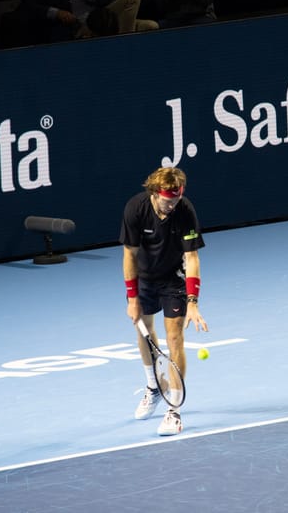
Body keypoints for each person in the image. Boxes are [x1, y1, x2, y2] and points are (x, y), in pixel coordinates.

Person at [119, 166, 208, 436]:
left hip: (173, 279)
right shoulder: (135, 209)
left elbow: (192, 259)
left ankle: (174, 410)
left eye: (177, 199)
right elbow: (129, 255)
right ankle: (154, 387)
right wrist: (132, 297)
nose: (173, 205)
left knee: (175, 339)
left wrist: (193, 301)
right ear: (155, 193)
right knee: (144, 333)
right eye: (169, 200)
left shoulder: (185, 211)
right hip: (144, 280)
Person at [25, 0, 157, 43]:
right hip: (81, 26)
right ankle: (124, 45)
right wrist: (57, 12)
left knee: (150, 22)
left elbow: (108, 0)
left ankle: (121, 44)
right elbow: (28, 5)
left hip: (103, 19)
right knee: (148, 21)